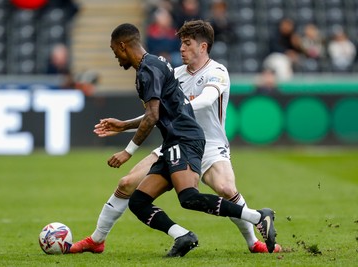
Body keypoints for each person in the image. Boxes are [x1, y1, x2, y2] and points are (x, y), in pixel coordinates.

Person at [70, 22, 278, 257]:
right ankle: (97, 240)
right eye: (181, 43)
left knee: (225, 188)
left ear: (203, 46)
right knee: (128, 184)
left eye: (187, 43)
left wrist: (176, 109)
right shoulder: (175, 73)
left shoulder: (217, 72)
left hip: (208, 143)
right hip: (174, 139)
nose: (181, 48)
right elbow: (156, 112)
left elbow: (206, 100)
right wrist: (125, 125)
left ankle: (253, 240)